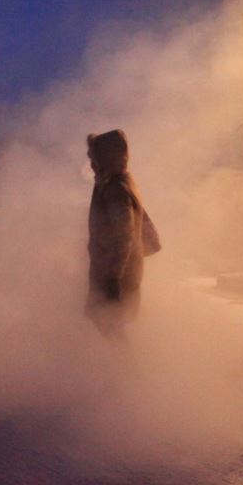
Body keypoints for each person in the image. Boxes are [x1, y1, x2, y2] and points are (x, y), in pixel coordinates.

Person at [85, 129, 157, 335]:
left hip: (116, 273)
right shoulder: (116, 182)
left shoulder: (116, 190)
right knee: (110, 326)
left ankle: (126, 366)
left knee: (111, 326)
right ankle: (121, 365)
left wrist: (113, 278)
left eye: (95, 159)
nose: (91, 165)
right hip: (116, 270)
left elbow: (125, 236)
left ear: (107, 158)